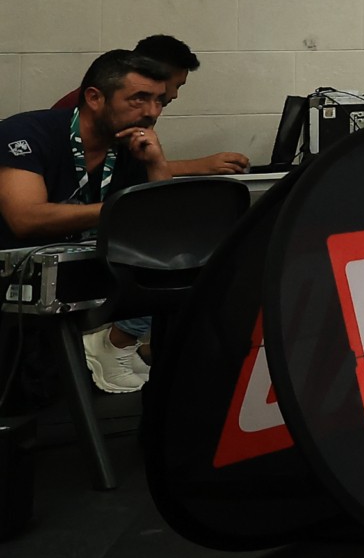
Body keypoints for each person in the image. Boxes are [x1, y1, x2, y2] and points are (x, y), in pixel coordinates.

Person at [2, 50, 175, 394]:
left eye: (159, 101)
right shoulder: (26, 133)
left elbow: (164, 225)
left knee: (179, 272)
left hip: (81, 274)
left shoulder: (131, 146)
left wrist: (157, 165)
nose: (152, 112)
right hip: (15, 281)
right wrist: (122, 209)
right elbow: (26, 217)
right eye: (139, 98)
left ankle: (124, 353)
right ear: (95, 98)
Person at [50, 35, 249, 175]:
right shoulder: (81, 110)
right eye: (176, 85)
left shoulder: (143, 110)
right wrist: (199, 166)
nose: (175, 95)